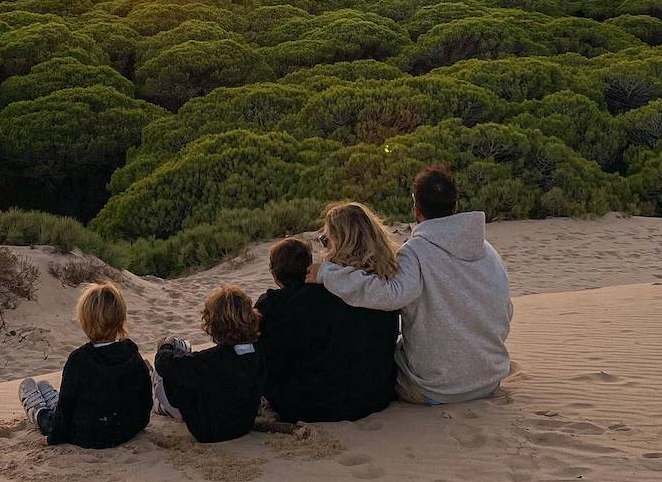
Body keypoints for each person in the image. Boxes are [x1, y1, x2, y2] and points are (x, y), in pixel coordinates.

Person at [311, 167, 512, 405]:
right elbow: (506, 311)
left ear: (416, 207)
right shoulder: (488, 251)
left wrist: (327, 273)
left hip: (437, 389)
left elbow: (391, 295)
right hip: (489, 380)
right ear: (455, 205)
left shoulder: (416, 252)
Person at [255, 236, 398, 422]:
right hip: (369, 398)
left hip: (304, 405)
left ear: (274, 274)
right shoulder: (340, 293)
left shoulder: (270, 306)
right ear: (309, 266)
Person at [19, 281, 152, 447]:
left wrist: (52, 439)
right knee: (66, 401)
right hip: (127, 428)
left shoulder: (79, 361)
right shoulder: (132, 354)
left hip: (88, 435)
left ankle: (38, 411)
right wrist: (138, 424)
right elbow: (145, 399)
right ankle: (52, 400)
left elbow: (65, 412)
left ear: (85, 320)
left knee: (52, 417)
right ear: (121, 319)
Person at [153, 285, 263, 443]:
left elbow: (164, 364)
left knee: (169, 369)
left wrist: (165, 346)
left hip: (207, 430)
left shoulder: (211, 361)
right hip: (243, 425)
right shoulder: (256, 353)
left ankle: (162, 406)